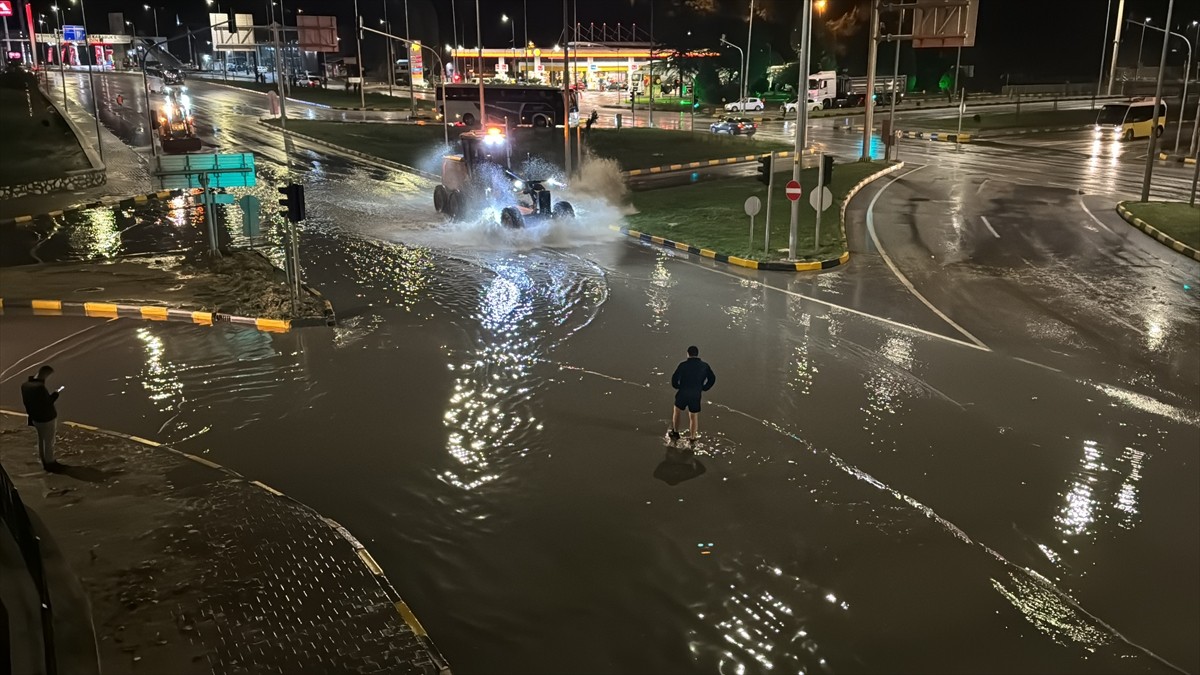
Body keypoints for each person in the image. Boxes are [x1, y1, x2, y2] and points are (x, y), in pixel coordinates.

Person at [669, 346, 716, 447]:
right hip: (696, 394)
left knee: (677, 410)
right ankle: (692, 437)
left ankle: (675, 432)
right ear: (697, 354)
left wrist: (677, 386)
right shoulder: (704, 366)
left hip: (683, 392)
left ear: (688, 353)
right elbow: (712, 378)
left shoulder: (683, 365)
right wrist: (704, 387)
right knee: (693, 416)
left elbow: (674, 379)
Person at [21, 365, 63, 470]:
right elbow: (47, 403)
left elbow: (27, 403)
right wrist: (56, 394)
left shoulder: (25, 385)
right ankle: (50, 463)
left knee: (41, 439)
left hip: (36, 418)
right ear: (45, 375)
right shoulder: (40, 388)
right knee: (49, 441)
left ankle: (43, 459)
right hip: (47, 418)